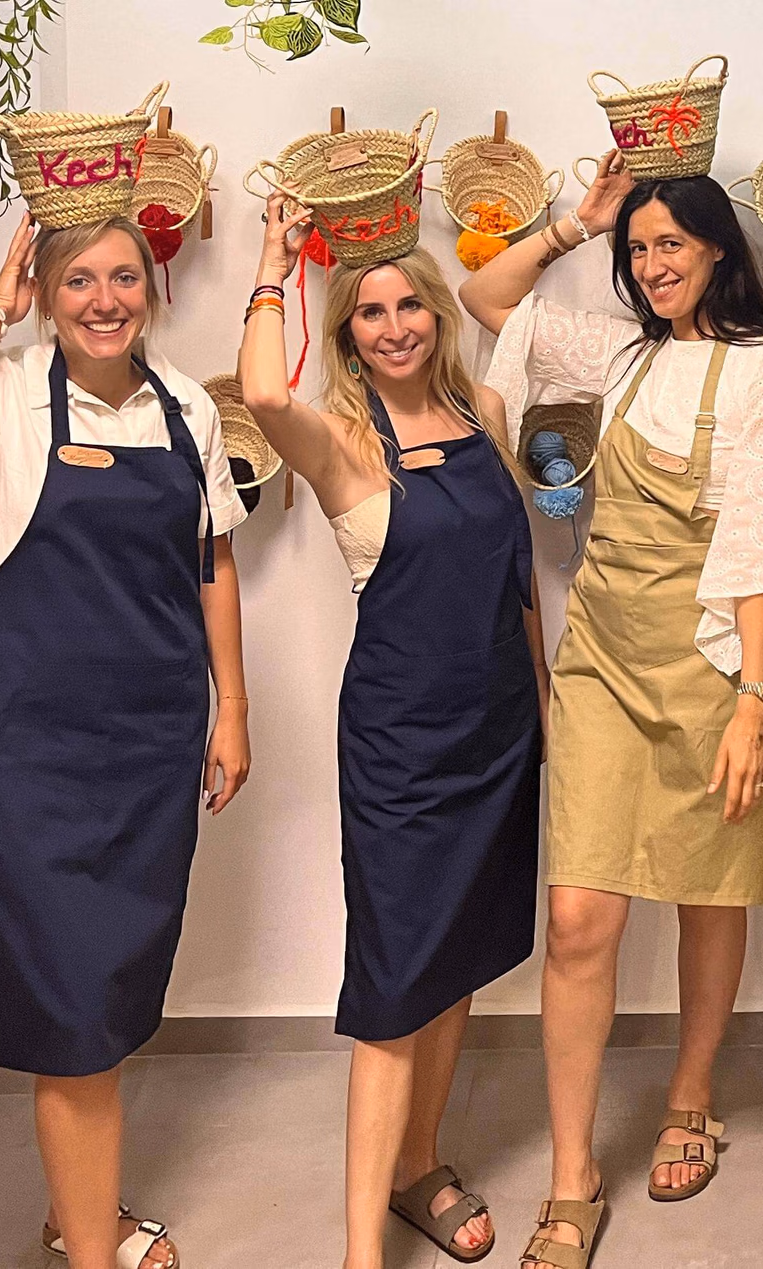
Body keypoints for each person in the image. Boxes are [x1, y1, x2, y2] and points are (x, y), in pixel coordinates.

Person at [461, 150, 763, 1269]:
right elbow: (486, 297)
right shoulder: (620, 356)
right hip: (604, 663)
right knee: (580, 920)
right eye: (642, 248)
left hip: (720, 666)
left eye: (673, 243)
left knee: (710, 895)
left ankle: (691, 1097)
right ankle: (574, 1177)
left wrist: (757, 699)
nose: (654, 263)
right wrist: (580, 222)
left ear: (720, 248)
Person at [0, 214, 251, 1269]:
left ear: (155, 288)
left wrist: (232, 705)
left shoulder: (186, 407)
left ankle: (74, 1211)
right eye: (78, 281)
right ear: (46, 295)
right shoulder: (4, 388)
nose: (105, 300)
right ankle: (91, 1249)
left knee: (110, 993)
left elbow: (211, 561)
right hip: (19, 754)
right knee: (77, 1006)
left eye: (123, 279)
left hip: (144, 746)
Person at [238, 195, 544, 1267]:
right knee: (390, 987)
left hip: (500, 733)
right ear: (347, 334)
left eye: (413, 302)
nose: (400, 323)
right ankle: (362, 1249)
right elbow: (259, 390)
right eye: (373, 312)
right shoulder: (337, 442)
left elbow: (520, 594)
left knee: (455, 960)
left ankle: (421, 1165)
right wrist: (274, 263)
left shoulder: (488, 421)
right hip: (401, 747)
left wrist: (545, 716)